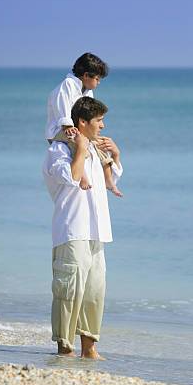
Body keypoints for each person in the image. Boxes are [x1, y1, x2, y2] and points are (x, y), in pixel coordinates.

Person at [42, 96, 122, 359]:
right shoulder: (59, 150)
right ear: (82, 122)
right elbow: (72, 177)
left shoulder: (96, 150)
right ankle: (65, 349)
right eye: (99, 121)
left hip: (98, 231)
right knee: (69, 291)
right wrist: (80, 148)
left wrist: (116, 155)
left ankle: (90, 349)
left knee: (94, 291)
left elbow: (112, 180)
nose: (103, 126)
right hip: (72, 230)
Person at [45, 52, 123, 197]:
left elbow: (89, 111)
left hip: (78, 130)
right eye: (97, 79)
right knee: (79, 147)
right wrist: (67, 126)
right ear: (86, 75)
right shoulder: (67, 85)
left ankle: (109, 181)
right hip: (60, 131)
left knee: (100, 147)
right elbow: (61, 106)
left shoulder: (87, 91)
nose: (98, 83)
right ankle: (83, 177)